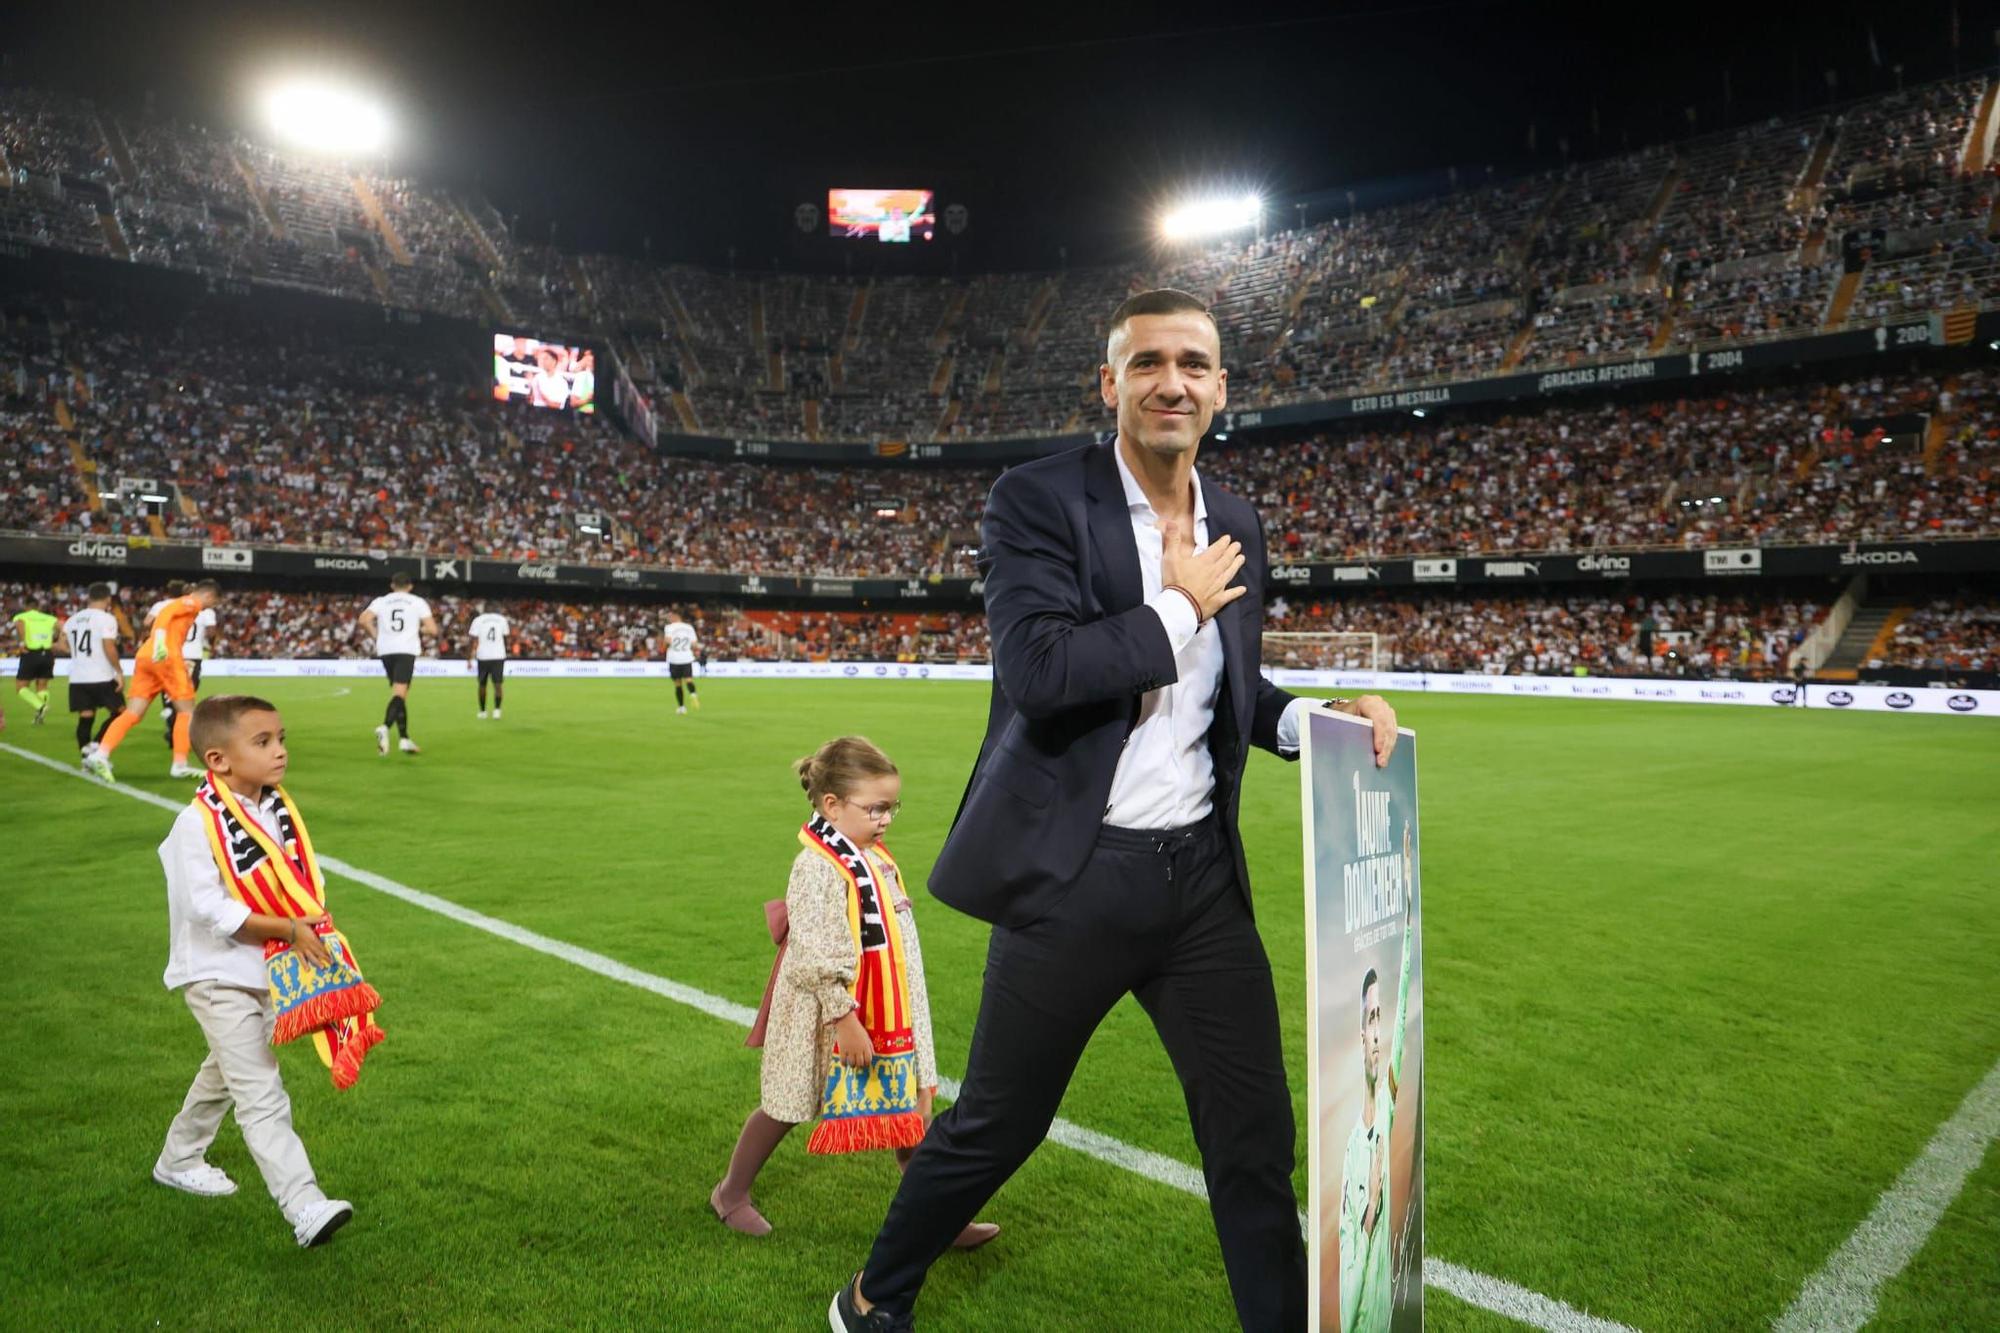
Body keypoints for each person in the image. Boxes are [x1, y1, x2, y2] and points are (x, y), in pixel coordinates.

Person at [831, 289, 1398, 1333]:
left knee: (1253, 1137)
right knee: (1001, 1123)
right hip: (1073, 878)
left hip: (1200, 886)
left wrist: (1319, 720)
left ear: (1221, 387)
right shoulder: (1037, 499)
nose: (1170, 381)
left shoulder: (1234, 519)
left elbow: (1232, 690)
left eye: (1192, 362)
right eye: (1146, 363)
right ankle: (872, 1294)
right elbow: (1041, 673)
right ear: (1110, 384)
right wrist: (1177, 602)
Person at [713, 737, 996, 1249]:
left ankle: (941, 1219)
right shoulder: (818, 865)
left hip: (894, 1007)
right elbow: (815, 951)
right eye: (875, 808)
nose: (886, 818)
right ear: (832, 805)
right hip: (829, 1012)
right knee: (788, 1104)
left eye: (891, 807)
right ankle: (731, 1192)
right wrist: (845, 1018)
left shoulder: (870, 854)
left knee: (914, 1109)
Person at [152, 694, 354, 1247]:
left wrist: (304, 931)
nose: (280, 751)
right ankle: (305, 1205)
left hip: (266, 970)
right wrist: (290, 930)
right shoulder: (195, 825)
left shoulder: (276, 809)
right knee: (261, 1092)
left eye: (281, 738)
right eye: (263, 743)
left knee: (226, 1072)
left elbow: (295, 885)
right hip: (217, 976)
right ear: (218, 760)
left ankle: (178, 1157)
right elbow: (209, 909)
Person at [1338, 823, 1415, 1332]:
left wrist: (1407, 889)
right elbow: (1347, 1274)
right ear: (1357, 1033)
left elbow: (1406, 985)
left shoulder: (1388, 1099)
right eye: (1370, 1019)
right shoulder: (1349, 1148)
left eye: (1379, 1017)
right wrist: (1366, 1219)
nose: (1378, 1030)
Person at [86, 580, 221, 782]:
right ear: (210, 596)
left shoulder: (188, 605)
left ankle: (100, 755)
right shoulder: (191, 602)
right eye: (215, 602)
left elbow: (164, 616)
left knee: (133, 713)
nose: (213, 606)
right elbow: (165, 614)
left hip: (146, 657)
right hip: (166, 656)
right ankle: (179, 764)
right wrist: (161, 643)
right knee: (186, 711)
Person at [358, 574, 438, 756]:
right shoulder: (417, 602)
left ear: (392, 585)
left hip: (386, 650)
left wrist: (375, 634)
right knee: (400, 694)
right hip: (405, 650)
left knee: (399, 694)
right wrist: (417, 629)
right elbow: (433, 629)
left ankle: (404, 739)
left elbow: (363, 620)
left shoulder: (382, 601)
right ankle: (384, 727)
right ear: (410, 586)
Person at [61, 583, 124, 764]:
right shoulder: (106, 619)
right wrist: (118, 671)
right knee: (121, 713)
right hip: (101, 676)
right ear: (108, 599)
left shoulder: (72, 619)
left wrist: (77, 653)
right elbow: (109, 646)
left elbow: (62, 645)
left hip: (78, 677)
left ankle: (86, 757)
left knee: (86, 717)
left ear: (89, 598)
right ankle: (96, 746)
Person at [12, 598, 60, 725]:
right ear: (38, 607)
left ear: (26, 606)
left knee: (21, 687)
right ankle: (40, 715)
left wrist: (22, 642)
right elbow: (60, 628)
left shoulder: (22, 616)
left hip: (31, 653)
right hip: (48, 654)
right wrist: (55, 640)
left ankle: (40, 706)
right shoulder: (49, 618)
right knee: (42, 686)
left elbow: (20, 624)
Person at [468, 602, 511, 719]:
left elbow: (472, 640)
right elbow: (506, 637)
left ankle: (482, 711)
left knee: (482, 685)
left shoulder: (478, 620)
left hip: (483, 656)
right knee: (498, 684)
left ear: (484, 610)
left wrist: (469, 658)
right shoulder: (502, 620)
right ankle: (497, 710)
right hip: (498, 656)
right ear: (495, 609)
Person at [665, 610, 700, 715]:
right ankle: (693, 694)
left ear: (676, 616)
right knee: (688, 680)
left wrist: (667, 646)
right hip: (686, 658)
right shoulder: (689, 627)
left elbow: (667, 641)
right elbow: (694, 645)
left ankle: (681, 707)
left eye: (670, 616)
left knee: (678, 684)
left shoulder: (669, 627)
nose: (669, 619)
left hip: (674, 658)